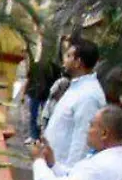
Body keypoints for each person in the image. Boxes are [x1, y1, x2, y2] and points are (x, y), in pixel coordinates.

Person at [42, 35, 107, 169]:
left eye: (68, 56)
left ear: (78, 62)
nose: (64, 61)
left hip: (62, 169)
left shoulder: (89, 95)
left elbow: (82, 140)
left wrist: (69, 175)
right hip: (52, 163)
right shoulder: (77, 87)